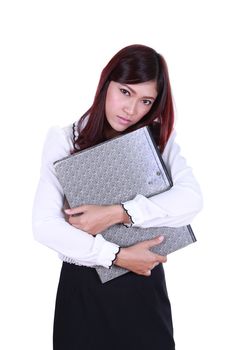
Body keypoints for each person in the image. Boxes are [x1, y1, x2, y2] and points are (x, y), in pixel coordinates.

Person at [32, 44, 203, 350]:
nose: (131, 109)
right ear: (105, 83)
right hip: (83, 288)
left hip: (144, 285)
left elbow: (191, 200)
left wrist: (119, 212)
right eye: (125, 92)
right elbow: (45, 225)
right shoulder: (64, 140)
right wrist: (117, 256)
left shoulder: (159, 140)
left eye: (145, 100)